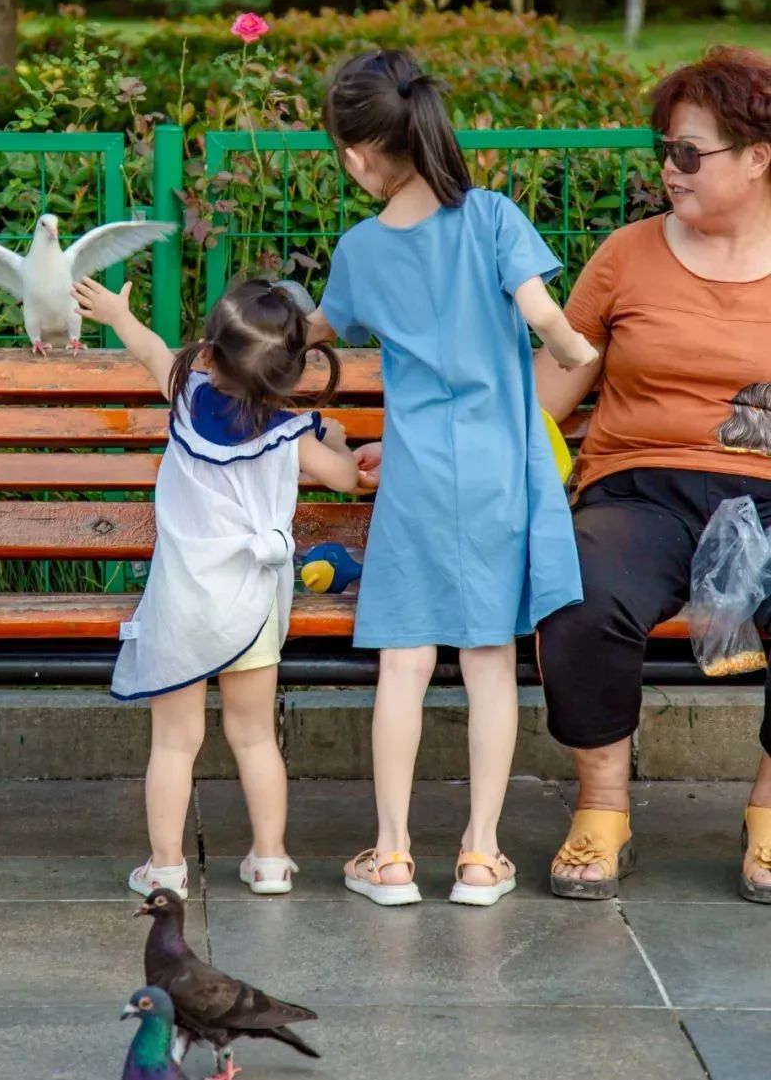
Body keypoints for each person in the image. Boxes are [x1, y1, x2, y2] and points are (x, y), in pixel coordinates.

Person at [310, 48, 592, 908]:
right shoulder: (495, 216)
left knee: (403, 660)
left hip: (417, 478)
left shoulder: (361, 247)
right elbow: (542, 313)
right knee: (489, 663)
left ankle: (392, 856)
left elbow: (319, 327)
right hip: (503, 475)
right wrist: (574, 346)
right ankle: (479, 855)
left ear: (358, 156)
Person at [534, 47, 771, 903]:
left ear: (757, 156)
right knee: (580, 589)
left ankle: (769, 814)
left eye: (689, 153)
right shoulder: (627, 256)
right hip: (641, 489)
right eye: (666, 150)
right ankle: (602, 806)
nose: (670, 170)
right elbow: (546, 398)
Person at [73, 274, 359, 901]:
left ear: (208, 354)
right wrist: (334, 438)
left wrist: (119, 314)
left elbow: (150, 349)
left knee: (175, 743)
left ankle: (166, 869)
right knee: (255, 736)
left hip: (181, 607)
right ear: (290, 371)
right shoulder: (293, 434)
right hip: (252, 605)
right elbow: (348, 479)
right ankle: (271, 860)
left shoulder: (185, 397)